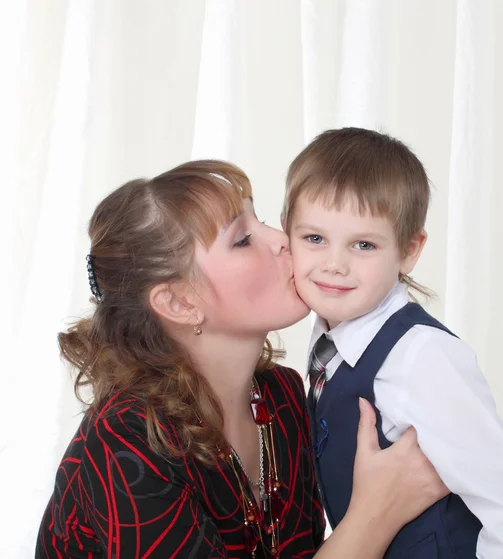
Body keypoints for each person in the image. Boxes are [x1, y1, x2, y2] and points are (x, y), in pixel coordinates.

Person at [35, 160, 448, 559]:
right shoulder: (126, 442)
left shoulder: (282, 397)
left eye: (261, 219)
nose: (283, 238)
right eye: (243, 239)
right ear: (179, 302)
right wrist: (376, 514)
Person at [282, 127, 503, 558]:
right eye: (314, 238)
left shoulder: (421, 356)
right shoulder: (328, 346)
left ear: (409, 250)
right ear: (286, 235)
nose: (334, 264)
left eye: (364, 244)